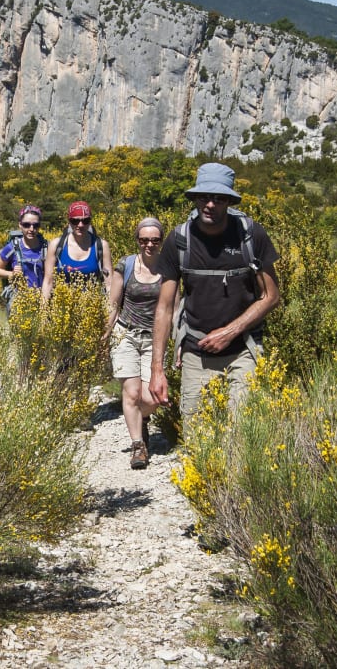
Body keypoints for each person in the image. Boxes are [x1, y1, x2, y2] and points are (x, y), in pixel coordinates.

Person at [149, 162, 280, 423]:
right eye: (205, 197)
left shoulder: (251, 236)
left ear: (229, 201)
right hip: (196, 350)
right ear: (196, 199)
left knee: (244, 431)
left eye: (219, 198)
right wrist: (157, 370)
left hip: (244, 348)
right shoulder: (178, 241)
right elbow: (164, 309)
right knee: (197, 435)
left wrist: (229, 331)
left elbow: (271, 296)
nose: (210, 204)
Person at [103, 218, 168, 470]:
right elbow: (114, 302)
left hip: (155, 337)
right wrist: (106, 332)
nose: (149, 245)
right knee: (131, 393)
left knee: (150, 397)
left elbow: (173, 307)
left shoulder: (168, 268)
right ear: (137, 241)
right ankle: (138, 445)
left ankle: (143, 420)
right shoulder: (126, 264)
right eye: (144, 240)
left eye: (154, 240)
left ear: (161, 241)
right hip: (126, 334)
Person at [41, 201, 112, 300]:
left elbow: (109, 283)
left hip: (92, 309)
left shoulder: (101, 245)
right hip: (62, 309)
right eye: (75, 221)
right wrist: (43, 312)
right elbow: (48, 282)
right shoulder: (56, 245)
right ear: (69, 221)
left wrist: (112, 311)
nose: (81, 225)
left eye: (85, 220)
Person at [0, 204, 47, 315]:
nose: (31, 229)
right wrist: (11, 274)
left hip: (43, 300)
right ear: (20, 225)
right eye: (26, 225)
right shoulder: (12, 247)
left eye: (35, 225)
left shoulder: (47, 247)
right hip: (20, 301)